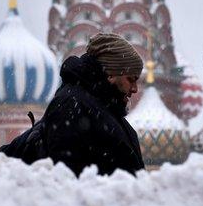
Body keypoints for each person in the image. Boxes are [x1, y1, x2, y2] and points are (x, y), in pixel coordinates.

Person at [43, 33, 145, 176]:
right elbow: (66, 177)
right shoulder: (72, 105)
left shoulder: (108, 111)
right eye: (131, 79)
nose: (135, 89)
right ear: (110, 73)